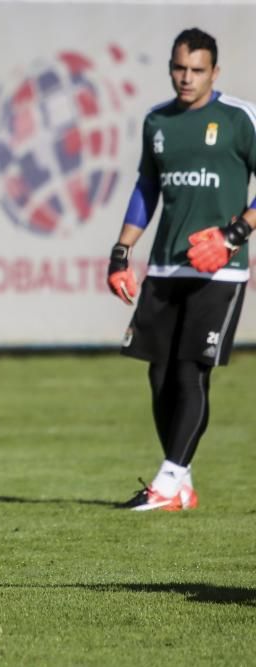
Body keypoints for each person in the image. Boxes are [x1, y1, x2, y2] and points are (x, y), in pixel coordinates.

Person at [107, 28, 256, 511]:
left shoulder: (238, 119)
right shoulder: (158, 121)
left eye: (196, 70)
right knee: (159, 373)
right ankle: (180, 482)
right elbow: (146, 187)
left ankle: (168, 480)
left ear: (215, 72)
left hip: (220, 268)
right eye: (179, 68)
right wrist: (121, 250)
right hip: (168, 264)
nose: (186, 78)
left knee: (191, 370)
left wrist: (235, 233)